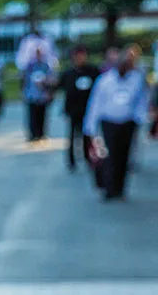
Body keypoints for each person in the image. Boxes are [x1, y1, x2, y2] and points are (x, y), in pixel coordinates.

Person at [86, 44, 151, 201]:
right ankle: (109, 188)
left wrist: (140, 117)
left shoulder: (136, 79)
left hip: (128, 122)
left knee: (124, 157)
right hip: (109, 122)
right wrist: (90, 126)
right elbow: (96, 103)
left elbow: (142, 100)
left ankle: (120, 189)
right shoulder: (105, 81)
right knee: (110, 156)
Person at [61, 45, 103, 173]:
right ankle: (71, 161)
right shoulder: (69, 73)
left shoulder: (92, 71)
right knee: (73, 136)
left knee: (88, 136)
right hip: (74, 110)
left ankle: (88, 158)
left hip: (88, 109)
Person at [21, 39, 59, 144]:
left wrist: (48, 86)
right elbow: (25, 80)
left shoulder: (46, 66)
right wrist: (24, 92)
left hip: (43, 95)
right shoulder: (30, 66)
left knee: (42, 116)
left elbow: (52, 80)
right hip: (32, 95)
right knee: (32, 116)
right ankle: (33, 135)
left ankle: (41, 134)